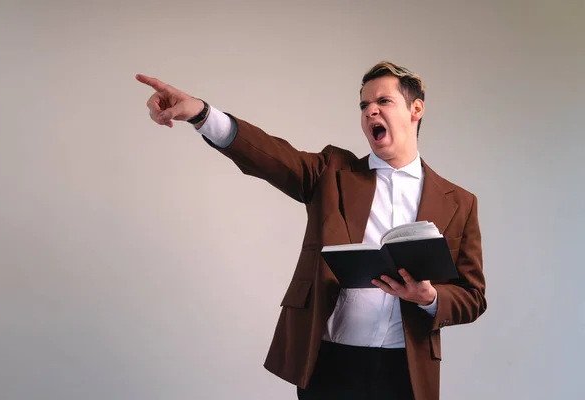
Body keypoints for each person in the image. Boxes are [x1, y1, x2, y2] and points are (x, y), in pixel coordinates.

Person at [136, 61, 487, 400]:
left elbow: (473, 297)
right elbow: (270, 155)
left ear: (416, 109)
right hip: (331, 366)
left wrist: (429, 298)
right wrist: (201, 113)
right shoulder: (332, 172)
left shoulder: (459, 202)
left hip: (405, 372)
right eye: (364, 104)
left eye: (383, 101)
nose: (370, 111)